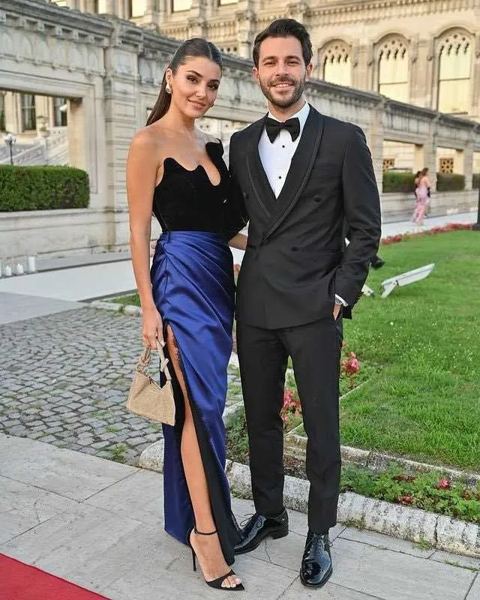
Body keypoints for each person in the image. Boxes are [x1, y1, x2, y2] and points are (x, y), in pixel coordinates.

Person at [225, 19, 381, 589]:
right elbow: (234, 221)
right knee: (260, 421)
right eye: (270, 62)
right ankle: (270, 514)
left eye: (291, 61)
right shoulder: (241, 143)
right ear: (256, 72)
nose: (281, 72)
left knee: (321, 425)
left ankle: (319, 531)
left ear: (308, 68)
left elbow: (365, 229)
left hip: (317, 307)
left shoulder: (343, 139)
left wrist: (340, 295)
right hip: (256, 306)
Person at [126, 38, 247, 592]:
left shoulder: (213, 146)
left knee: (208, 405)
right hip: (178, 281)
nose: (203, 92)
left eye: (213, 84)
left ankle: (196, 516)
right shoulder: (147, 142)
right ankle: (206, 534)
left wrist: (284, 248)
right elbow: (137, 231)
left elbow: (227, 228)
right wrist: (148, 306)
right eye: (194, 79)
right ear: (170, 77)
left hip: (218, 280)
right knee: (198, 409)